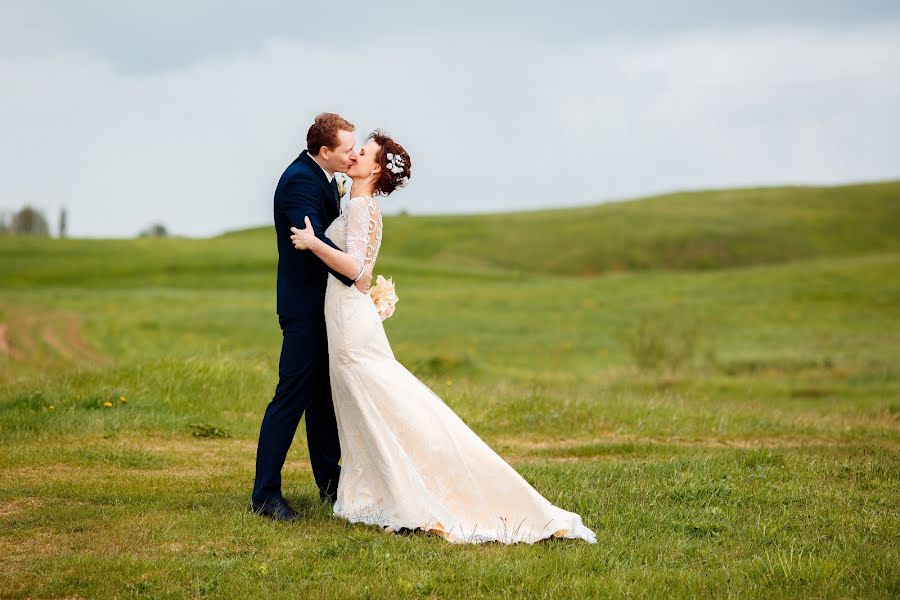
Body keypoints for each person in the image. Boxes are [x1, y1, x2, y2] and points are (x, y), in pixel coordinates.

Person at [290, 130, 596, 544]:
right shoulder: (358, 202)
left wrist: (313, 243)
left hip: (349, 318)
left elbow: (360, 275)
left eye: (363, 152)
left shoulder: (362, 206)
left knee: (380, 402)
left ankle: (406, 490)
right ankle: (371, 488)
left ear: (376, 168)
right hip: (345, 320)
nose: (355, 155)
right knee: (366, 405)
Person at [250, 113, 372, 521]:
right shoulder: (301, 180)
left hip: (326, 307)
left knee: (323, 401)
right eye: (347, 149)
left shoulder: (321, 175)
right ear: (325, 152)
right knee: (291, 398)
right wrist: (355, 275)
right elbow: (311, 241)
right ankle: (265, 496)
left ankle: (329, 484)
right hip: (305, 309)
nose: (354, 154)